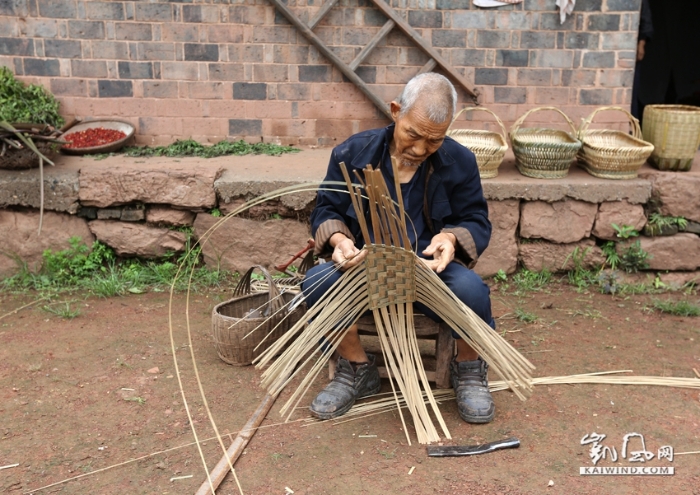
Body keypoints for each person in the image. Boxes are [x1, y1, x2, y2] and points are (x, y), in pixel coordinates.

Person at [301, 73, 496, 424]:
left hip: (429, 273)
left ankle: (467, 367)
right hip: (364, 270)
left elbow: (476, 220)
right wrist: (340, 240)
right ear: (395, 112)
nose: (420, 149)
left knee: (472, 291)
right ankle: (357, 368)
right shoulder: (352, 155)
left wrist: (450, 239)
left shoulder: (460, 162)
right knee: (317, 282)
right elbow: (326, 210)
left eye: (434, 141)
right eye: (413, 134)